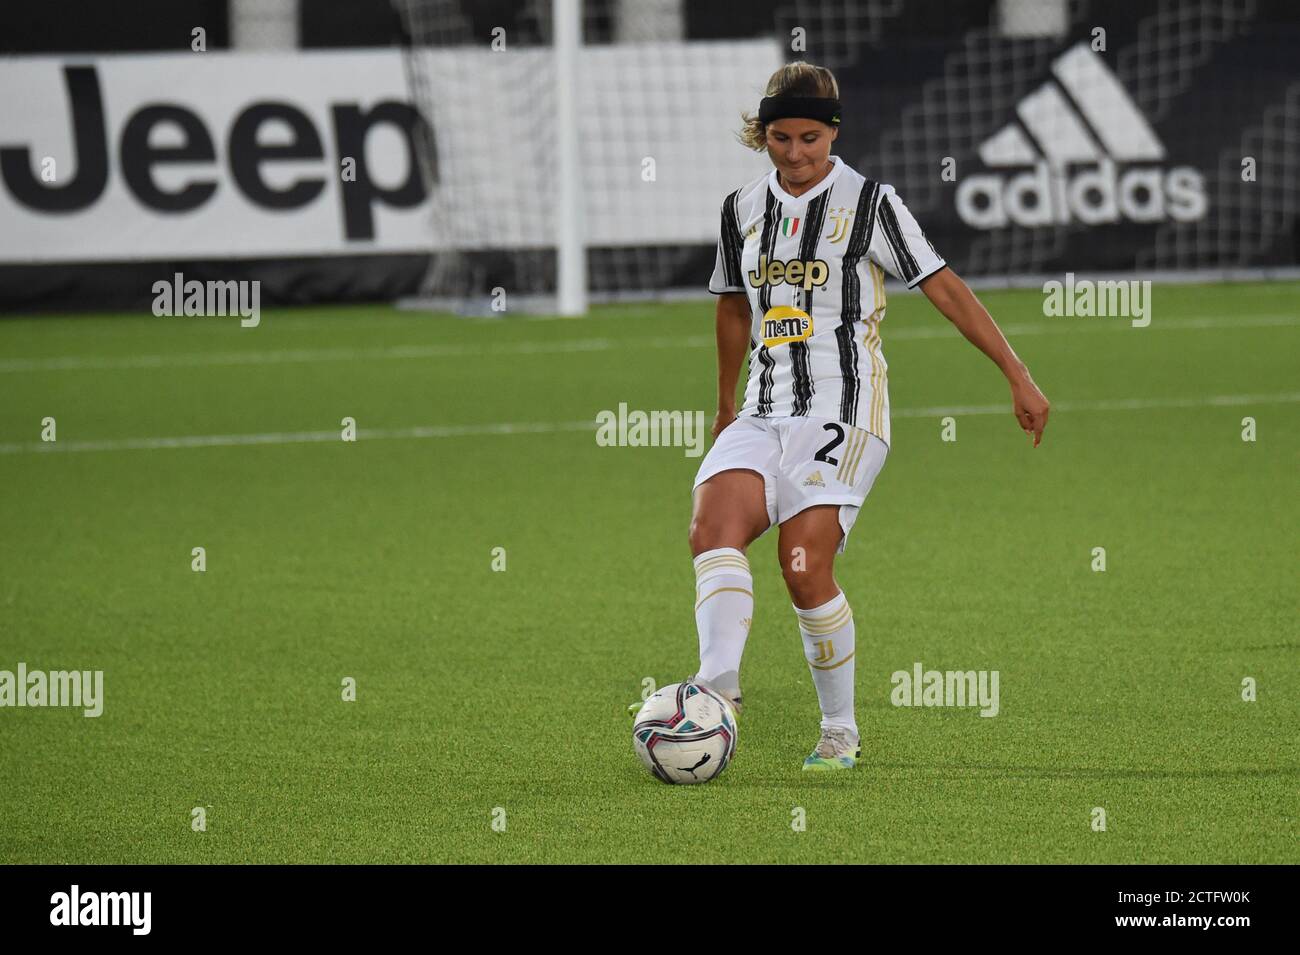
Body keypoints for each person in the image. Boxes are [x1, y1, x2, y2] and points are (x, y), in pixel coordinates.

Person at [635, 61, 1050, 771]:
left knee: (801, 566)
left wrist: (1016, 372)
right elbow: (735, 305)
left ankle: (839, 728)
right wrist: (725, 402)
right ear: (761, 134)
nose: (795, 155)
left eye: (809, 138)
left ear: (833, 132)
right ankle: (719, 689)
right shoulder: (741, 210)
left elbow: (944, 287)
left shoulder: (872, 204)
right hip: (764, 410)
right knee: (712, 527)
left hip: (847, 409)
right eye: (779, 138)